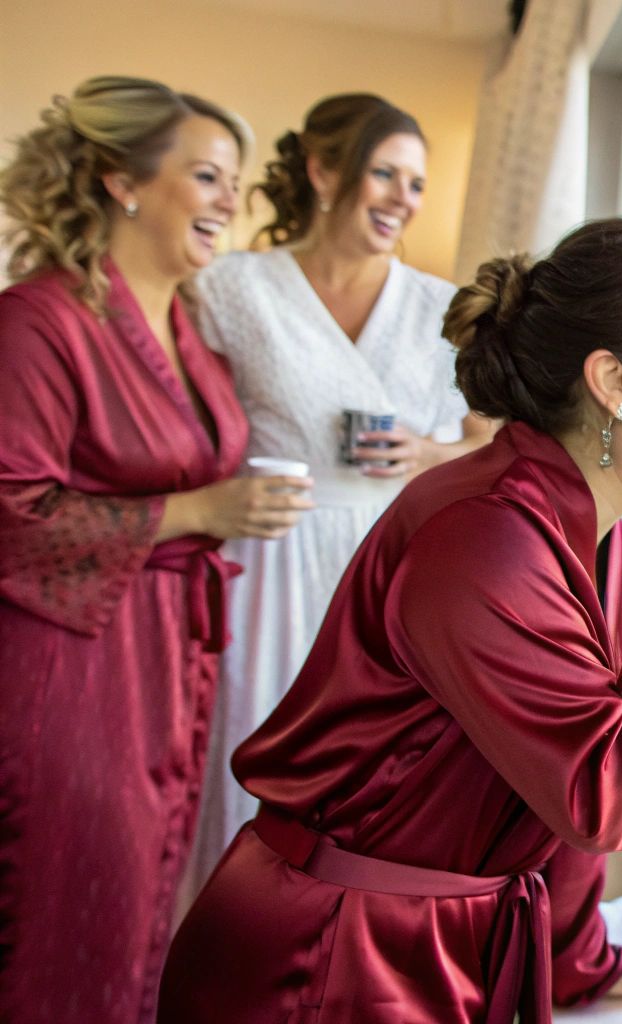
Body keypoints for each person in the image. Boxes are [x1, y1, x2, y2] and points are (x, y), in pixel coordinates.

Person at [160, 217, 622, 1022]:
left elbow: (544, 796)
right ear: (615, 382)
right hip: (326, 962)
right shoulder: (484, 539)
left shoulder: (589, 527)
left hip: (427, 941)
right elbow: (599, 792)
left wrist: (576, 963)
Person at [0, 76, 309, 1024]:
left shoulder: (190, 329)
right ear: (119, 182)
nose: (230, 201)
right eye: (209, 176)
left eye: (237, 182)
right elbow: (10, 507)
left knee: (142, 902)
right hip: (72, 670)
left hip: (170, 657)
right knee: (68, 908)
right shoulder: (37, 322)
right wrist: (197, 509)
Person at [181, 93, 495, 908]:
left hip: (394, 571)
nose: (403, 198)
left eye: (416, 183)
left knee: (372, 795)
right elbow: (175, 418)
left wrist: (431, 453)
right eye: (384, 173)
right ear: (324, 171)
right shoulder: (232, 288)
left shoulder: (439, 307)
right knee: (248, 761)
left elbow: (503, 446)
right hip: (269, 557)